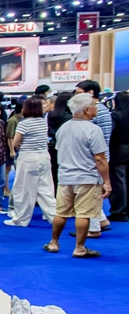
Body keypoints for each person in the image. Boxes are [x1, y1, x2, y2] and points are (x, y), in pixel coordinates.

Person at [44, 93, 111, 258]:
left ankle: (53, 242)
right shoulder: (93, 130)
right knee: (83, 214)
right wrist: (106, 181)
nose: (96, 108)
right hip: (87, 177)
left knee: (61, 212)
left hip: (65, 177)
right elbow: (100, 158)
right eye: (93, 106)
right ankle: (79, 248)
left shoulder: (63, 128)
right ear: (87, 110)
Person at [4, 97, 57, 227]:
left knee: (23, 190)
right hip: (44, 156)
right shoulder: (43, 121)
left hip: (28, 158)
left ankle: (21, 219)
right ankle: (55, 217)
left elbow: (16, 143)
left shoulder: (24, 123)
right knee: (46, 190)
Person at [75, 80, 112, 235]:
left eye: (79, 93)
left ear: (90, 93)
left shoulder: (95, 111)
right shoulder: (101, 109)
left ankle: (93, 228)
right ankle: (101, 220)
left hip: (94, 158)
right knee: (92, 192)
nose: (76, 97)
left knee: (89, 194)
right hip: (97, 156)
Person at [109, 91, 129, 222]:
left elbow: (111, 133)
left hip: (118, 151)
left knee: (118, 182)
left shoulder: (115, 116)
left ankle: (119, 210)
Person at [47, 91, 74, 188]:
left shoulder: (51, 115)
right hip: (66, 147)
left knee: (53, 174)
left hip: (52, 145)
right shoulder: (70, 117)